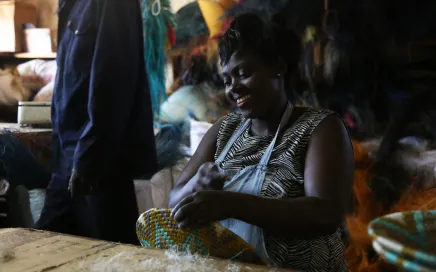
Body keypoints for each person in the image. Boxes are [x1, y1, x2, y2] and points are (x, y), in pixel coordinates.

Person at [169, 14, 354, 271]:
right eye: (227, 80)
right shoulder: (223, 131)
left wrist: (230, 203)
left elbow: (324, 214)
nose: (233, 88)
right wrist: (195, 186)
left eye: (243, 73)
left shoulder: (321, 128)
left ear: (278, 65)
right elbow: (174, 200)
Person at [36, 0, 157, 245]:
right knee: (43, 245)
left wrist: (89, 156)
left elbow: (113, 81)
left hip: (99, 161)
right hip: (67, 157)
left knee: (110, 254)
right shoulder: (70, 4)